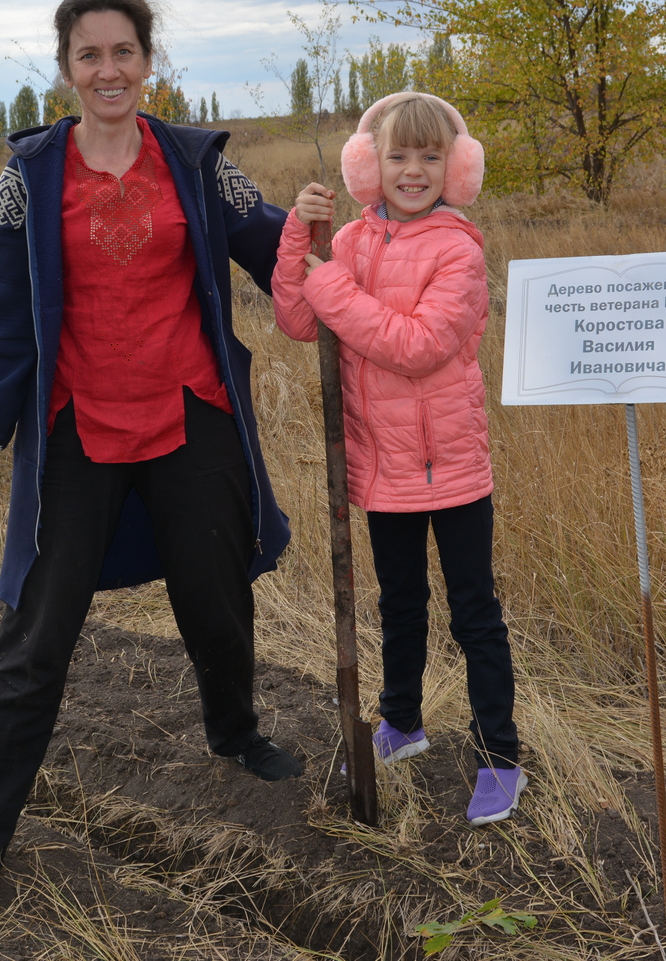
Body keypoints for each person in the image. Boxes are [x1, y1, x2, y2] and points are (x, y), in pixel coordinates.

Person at [0, 0, 299, 948]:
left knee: (217, 593)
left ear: (149, 61)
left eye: (124, 52)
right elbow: (2, 315)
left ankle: (233, 728)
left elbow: (270, 244)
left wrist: (363, 247)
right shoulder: (29, 179)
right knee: (36, 643)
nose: (108, 70)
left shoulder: (191, 162)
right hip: (78, 430)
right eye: (89, 55)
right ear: (65, 68)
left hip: (190, 411)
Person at [273, 92, 524, 825]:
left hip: (452, 467)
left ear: (457, 168)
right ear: (368, 165)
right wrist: (300, 239)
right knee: (399, 604)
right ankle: (402, 724)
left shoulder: (459, 248)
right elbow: (297, 319)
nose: (413, 170)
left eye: (430, 156)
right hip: (382, 469)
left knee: (475, 613)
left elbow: (415, 347)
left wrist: (326, 282)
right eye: (398, 156)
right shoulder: (347, 242)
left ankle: (501, 757)